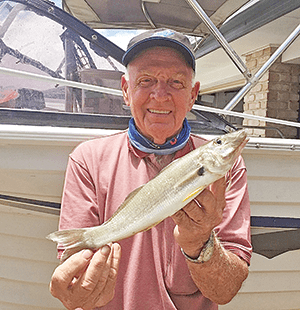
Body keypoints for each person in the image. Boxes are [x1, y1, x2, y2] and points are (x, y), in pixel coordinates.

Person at [49, 28, 252, 310]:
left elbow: (226, 290)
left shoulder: (229, 169)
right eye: (146, 81)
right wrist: (79, 288)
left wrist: (201, 244)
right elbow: (75, 272)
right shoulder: (87, 159)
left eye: (176, 83)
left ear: (193, 94)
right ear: (126, 90)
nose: (160, 95)